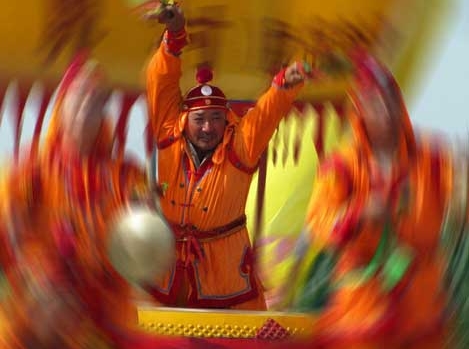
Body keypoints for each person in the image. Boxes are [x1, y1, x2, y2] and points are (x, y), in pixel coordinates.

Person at [0, 53, 187, 349]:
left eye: (97, 100)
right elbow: (12, 231)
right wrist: (41, 278)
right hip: (39, 312)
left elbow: (144, 232)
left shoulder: (124, 175)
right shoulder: (31, 170)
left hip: (100, 313)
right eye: (80, 98)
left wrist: (148, 212)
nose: (87, 108)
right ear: (63, 106)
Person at [143, 4, 307, 310]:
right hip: (167, 270)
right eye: (200, 118)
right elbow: (161, 83)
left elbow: (266, 113)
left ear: (226, 119)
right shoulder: (168, 133)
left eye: (217, 118)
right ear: (185, 118)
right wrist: (175, 35)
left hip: (226, 276)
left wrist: (286, 83)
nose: (208, 127)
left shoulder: (240, 145)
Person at [289, 50, 455, 348]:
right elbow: (318, 221)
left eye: (389, 101)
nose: (385, 111)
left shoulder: (432, 160)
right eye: (374, 103)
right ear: (360, 109)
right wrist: (359, 214)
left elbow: (460, 197)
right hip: (361, 314)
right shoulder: (342, 167)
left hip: (422, 311)